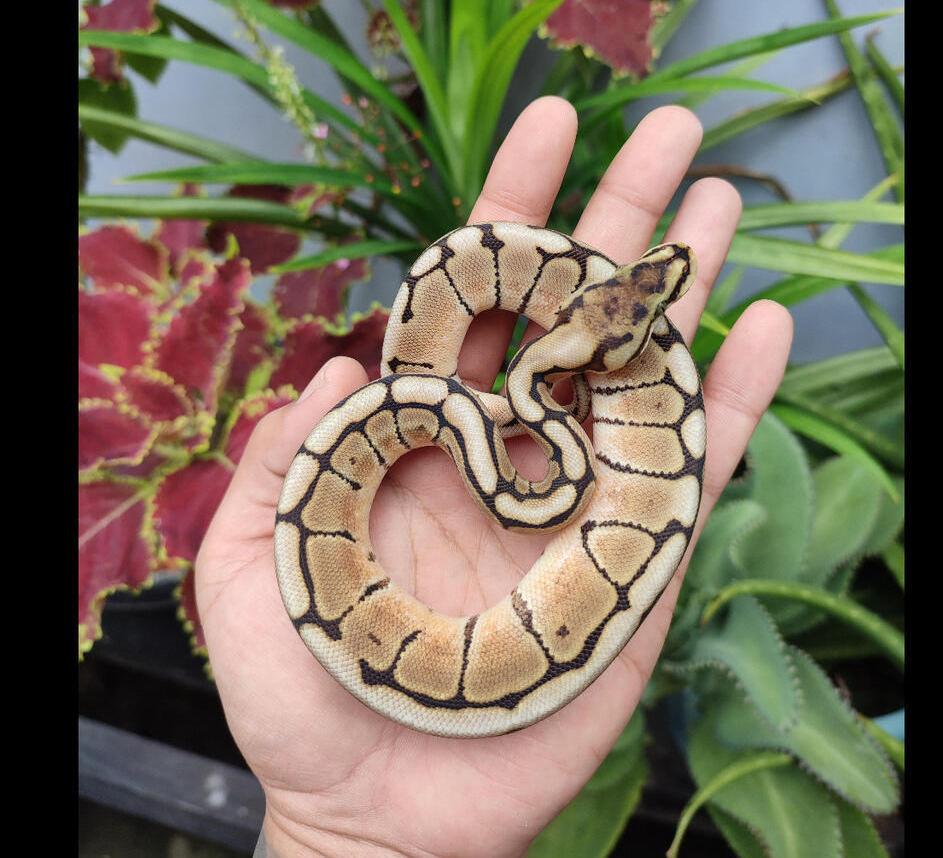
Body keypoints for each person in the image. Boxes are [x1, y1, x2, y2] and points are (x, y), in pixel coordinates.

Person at [195, 98, 794, 858]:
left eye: (649, 308)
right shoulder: (538, 414)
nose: (664, 283)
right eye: (647, 309)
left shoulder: (530, 378)